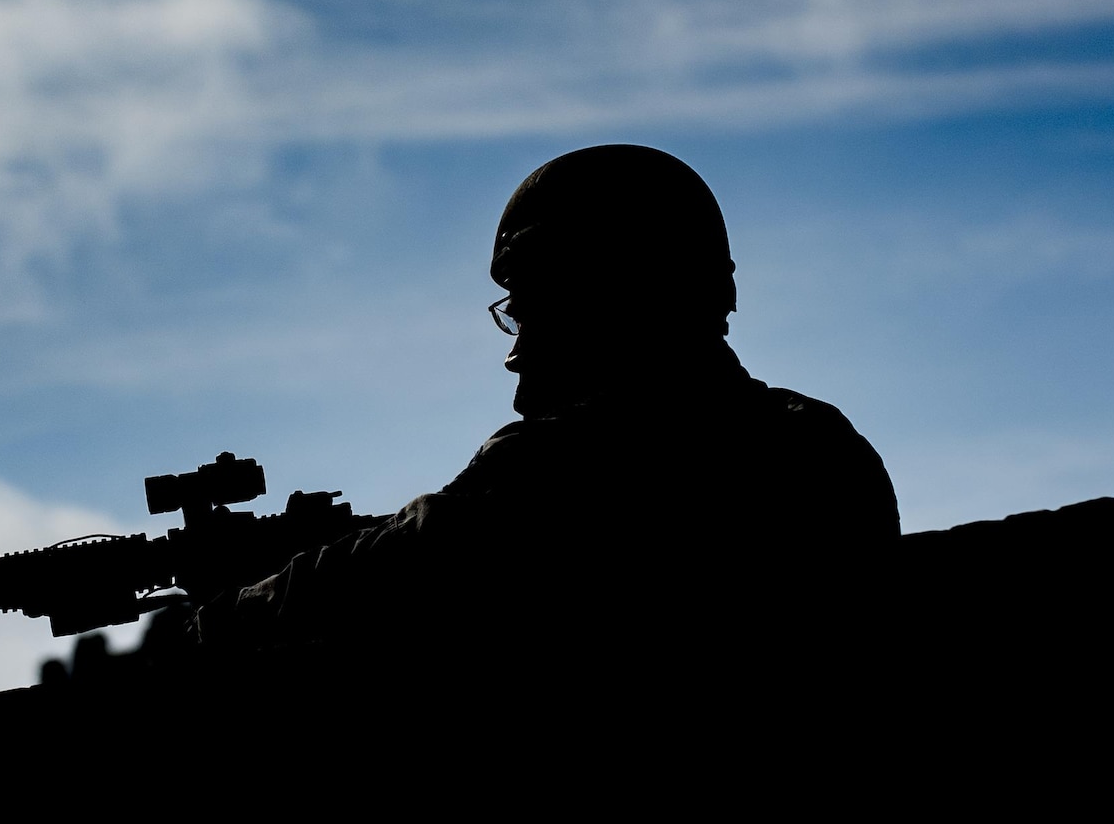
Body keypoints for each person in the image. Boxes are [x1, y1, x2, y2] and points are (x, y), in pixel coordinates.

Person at [205, 145, 898, 666]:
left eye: (532, 306)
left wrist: (214, 622)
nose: (518, 350)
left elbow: (417, 558)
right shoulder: (819, 440)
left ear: (607, 294)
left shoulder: (571, 463)